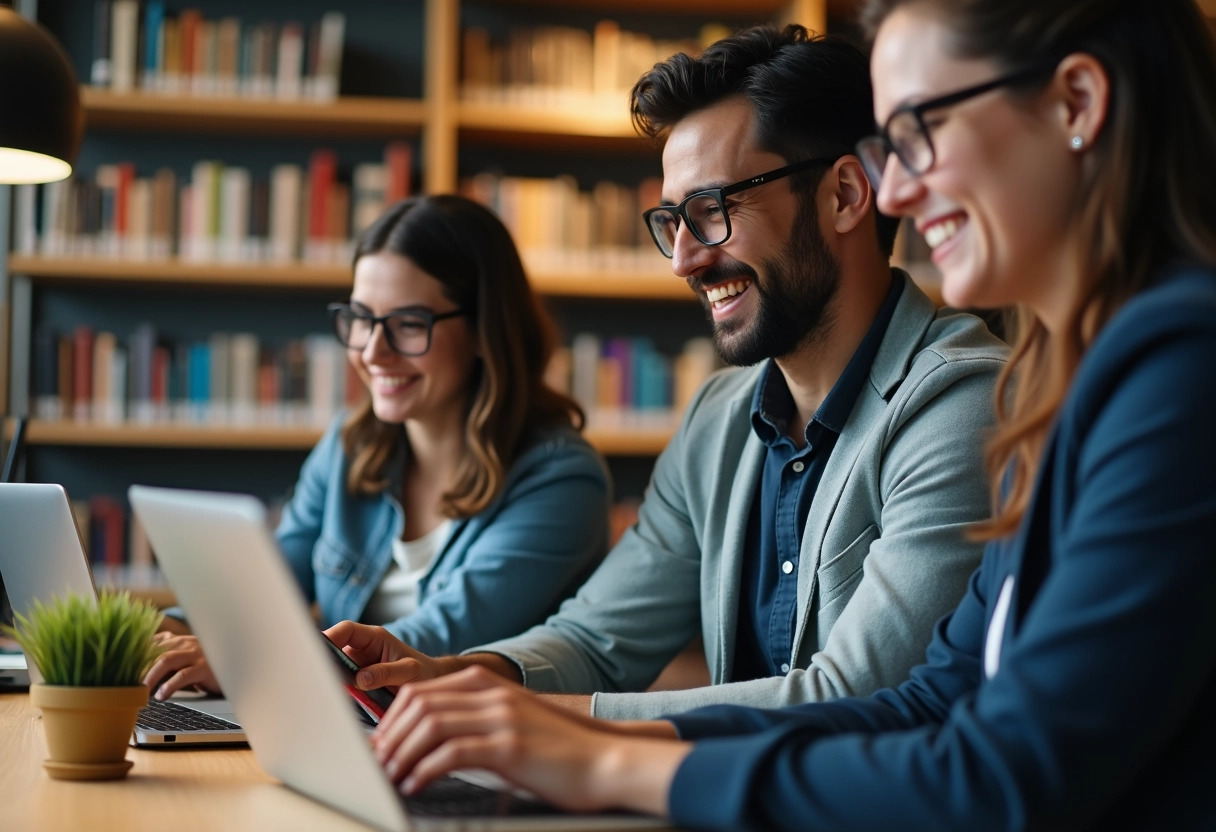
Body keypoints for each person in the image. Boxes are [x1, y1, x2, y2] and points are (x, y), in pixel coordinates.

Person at [339, 1, 1216, 828]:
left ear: (1078, 101)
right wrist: (486, 693)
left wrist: (592, 754)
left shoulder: (1150, 377)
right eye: (670, 220)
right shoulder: (1069, 393)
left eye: (918, 134)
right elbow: (926, 703)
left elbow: (988, 766)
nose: (898, 192)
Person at [327, 25, 1008, 720]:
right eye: (671, 220)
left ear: (843, 195)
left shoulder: (963, 404)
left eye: (712, 211)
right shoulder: (718, 416)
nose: (683, 260)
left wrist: (538, 723)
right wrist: (455, 677)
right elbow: (596, 637)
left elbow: (854, 696)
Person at [144, 195, 612, 699]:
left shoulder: (562, 479)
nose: (372, 351)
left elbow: (428, 646)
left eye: (409, 324)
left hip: (472, 751)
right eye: (362, 318)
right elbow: (267, 590)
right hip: (349, 724)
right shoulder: (350, 444)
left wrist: (244, 656)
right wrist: (167, 636)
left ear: (484, 330)